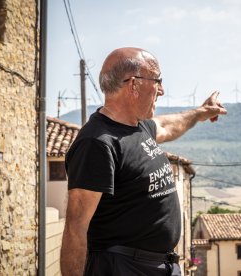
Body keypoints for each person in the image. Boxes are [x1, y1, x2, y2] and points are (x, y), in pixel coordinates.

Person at [60, 47, 227, 276]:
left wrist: (201, 112)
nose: (161, 90)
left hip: (158, 265)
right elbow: (75, 228)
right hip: (124, 267)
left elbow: (170, 125)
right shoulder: (97, 143)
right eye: (157, 80)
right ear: (134, 84)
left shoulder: (139, 128)